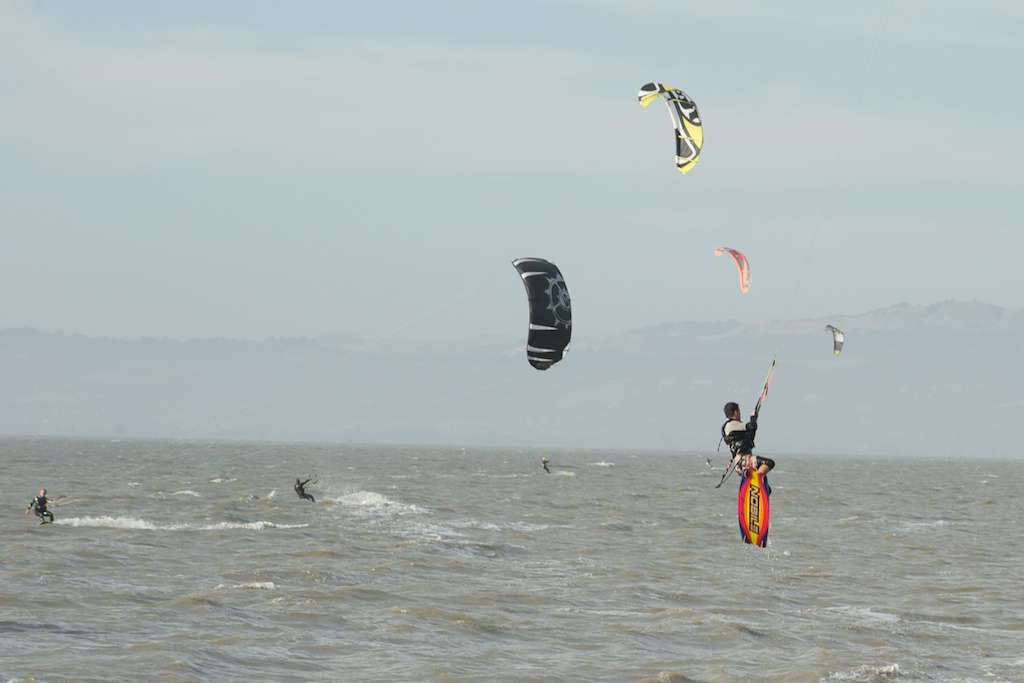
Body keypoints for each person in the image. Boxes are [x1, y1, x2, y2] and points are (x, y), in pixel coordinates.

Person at [721, 402, 775, 495]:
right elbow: (751, 426)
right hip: (744, 461)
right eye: (739, 411)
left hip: (744, 462)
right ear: (735, 412)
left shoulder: (735, 427)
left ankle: (755, 485)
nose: (740, 413)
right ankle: (756, 481)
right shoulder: (731, 425)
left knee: (767, 489)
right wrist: (752, 417)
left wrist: (755, 419)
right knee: (769, 463)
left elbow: (750, 434)